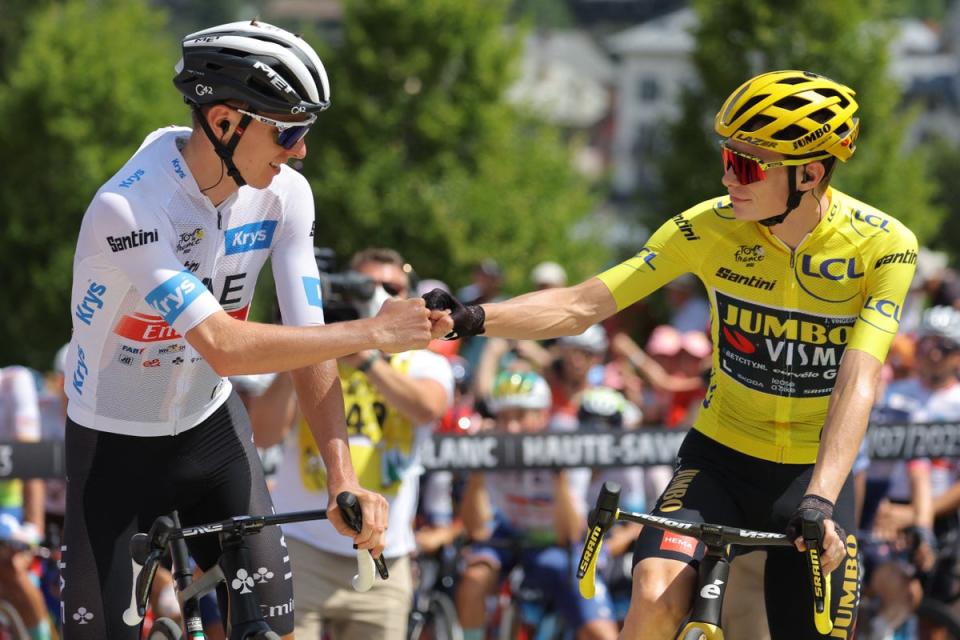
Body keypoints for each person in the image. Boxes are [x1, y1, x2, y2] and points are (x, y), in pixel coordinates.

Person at [425, 69, 918, 638]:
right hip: (719, 459)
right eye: (726, 157)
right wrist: (472, 319)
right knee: (655, 593)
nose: (730, 176)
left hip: (814, 476)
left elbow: (859, 377)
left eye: (749, 164)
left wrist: (822, 499)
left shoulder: (884, 245)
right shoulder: (707, 227)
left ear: (809, 172)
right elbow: (584, 305)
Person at [62, 21, 445, 640]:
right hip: (113, 448)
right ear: (222, 122)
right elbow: (225, 345)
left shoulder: (286, 196)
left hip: (211, 435)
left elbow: (307, 338)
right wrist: (372, 333)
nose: (300, 151)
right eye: (288, 131)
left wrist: (342, 478)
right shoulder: (129, 207)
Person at [252, 248, 454, 639]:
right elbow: (263, 433)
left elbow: (427, 408)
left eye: (389, 287)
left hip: (384, 556)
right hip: (302, 550)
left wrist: (365, 357)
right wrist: (306, 345)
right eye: (363, 285)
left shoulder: (425, 360)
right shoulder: (317, 347)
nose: (374, 294)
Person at [456, 370, 618, 640]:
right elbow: (476, 531)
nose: (511, 428)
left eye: (520, 416)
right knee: (474, 580)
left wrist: (559, 477)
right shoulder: (491, 446)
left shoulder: (566, 442)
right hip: (510, 538)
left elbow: (571, 533)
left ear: (542, 415)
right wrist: (476, 475)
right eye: (503, 418)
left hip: (559, 544)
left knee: (601, 633)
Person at [0, 366, 54, 640]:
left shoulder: (12, 382)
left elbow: (31, 461)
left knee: (10, 569)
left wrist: (33, 527)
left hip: (8, 505)